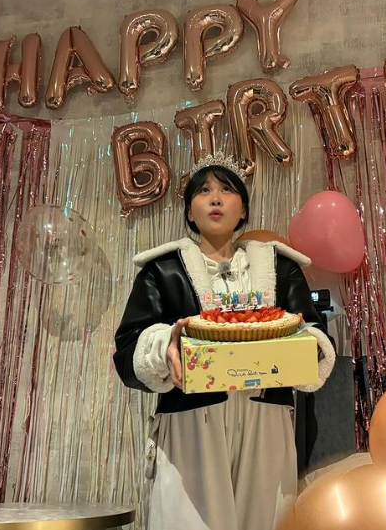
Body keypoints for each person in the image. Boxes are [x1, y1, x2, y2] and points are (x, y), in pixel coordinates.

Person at [114, 152, 336, 530]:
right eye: (203, 191)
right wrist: (164, 347)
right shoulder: (163, 270)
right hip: (191, 424)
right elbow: (128, 350)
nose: (215, 198)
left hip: (265, 420)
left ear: (243, 209)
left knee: (266, 520)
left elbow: (314, 336)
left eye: (227, 190)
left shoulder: (280, 267)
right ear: (189, 212)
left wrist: (304, 345)